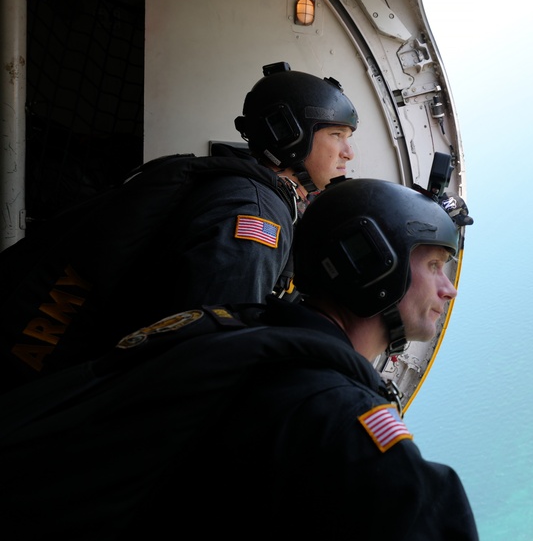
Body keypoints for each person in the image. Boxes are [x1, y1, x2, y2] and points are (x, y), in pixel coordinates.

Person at [0, 179, 533, 541]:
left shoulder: (226, 345)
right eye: (436, 264)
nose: (448, 289)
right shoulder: (333, 421)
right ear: (375, 263)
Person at [0, 61, 358, 391]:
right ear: (290, 134)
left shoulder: (234, 185)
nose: (348, 152)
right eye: (336, 135)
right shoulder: (257, 215)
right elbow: (212, 351)